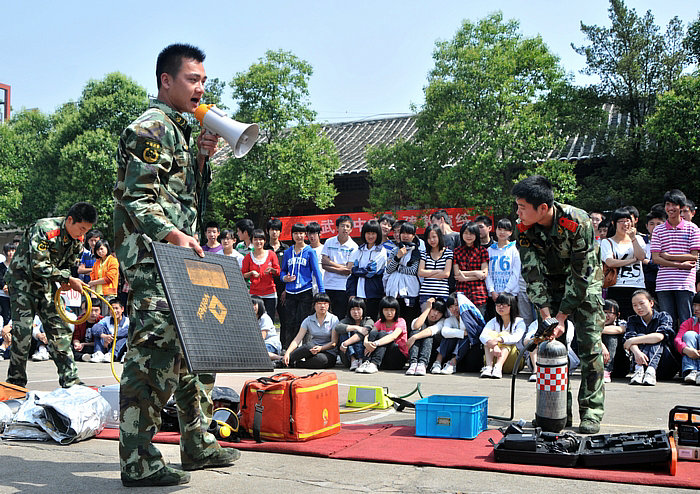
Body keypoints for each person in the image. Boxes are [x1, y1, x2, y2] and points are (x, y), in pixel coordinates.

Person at [113, 44, 238, 487]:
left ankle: (197, 442)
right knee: (155, 353)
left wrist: (201, 158)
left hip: (182, 255)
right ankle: (138, 461)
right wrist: (173, 235)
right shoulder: (150, 128)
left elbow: (184, 198)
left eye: (204, 80)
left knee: (199, 348)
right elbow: (137, 197)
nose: (201, 88)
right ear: (166, 81)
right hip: (152, 257)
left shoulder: (183, 130)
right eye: (192, 79)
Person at [512, 175, 604, 434]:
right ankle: (557, 413)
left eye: (522, 207)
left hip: (585, 284)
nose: (517, 212)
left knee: (590, 349)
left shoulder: (578, 222)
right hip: (549, 286)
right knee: (551, 350)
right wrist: (547, 317)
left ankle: (591, 413)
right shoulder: (523, 228)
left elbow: (581, 274)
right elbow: (532, 274)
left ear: (542, 208)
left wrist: (562, 316)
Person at [4, 201, 96, 389]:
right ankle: (15, 382)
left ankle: (71, 380)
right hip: (23, 282)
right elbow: (38, 265)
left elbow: (69, 266)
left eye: (87, 230)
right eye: (81, 228)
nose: (83, 234)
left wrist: (68, 280)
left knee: (59, 329)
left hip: (46, 284)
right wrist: (67, 279)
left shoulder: (78, 240)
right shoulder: (45, 229)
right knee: (23, 333)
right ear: (70, 220)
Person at [651, 190, 700, 329]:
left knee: (687, 320)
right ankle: (669, 344)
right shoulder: (658, 230)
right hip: (664, 283)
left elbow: (694, 256)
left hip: (685, 283)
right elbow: (656, 258)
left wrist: (668, 256)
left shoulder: (693, 229)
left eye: (674, 205)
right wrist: (681, 265)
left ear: (681, 207)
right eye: (668, 204)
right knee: (667, 322)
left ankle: (687, 344)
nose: (670, 208)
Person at [280, 223, 325, 349]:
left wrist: (322, 292)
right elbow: (283, 271)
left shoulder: (310, 251)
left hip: (305, 291)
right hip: (290, 292)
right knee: (290, 322)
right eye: (296, 233)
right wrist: (285, 278)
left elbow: (317, 272)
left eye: (301, 233)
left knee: (305, 321)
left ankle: (305, 349)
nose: (298, 236)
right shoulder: (288, 252)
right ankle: (289, 350)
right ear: (292, 235)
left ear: (305, 235)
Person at [623, 289, 679, 385]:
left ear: (651, 303)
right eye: (635, 305)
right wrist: (637, 353)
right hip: (641, 364)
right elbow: (628, 339)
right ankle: (639, 369)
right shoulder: (632, 320)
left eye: (642, 303)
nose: (638, 308)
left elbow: (659, 337)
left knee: (653, 339)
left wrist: (632, 341)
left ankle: (651, 370)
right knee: (641, 336)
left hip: (665, 366)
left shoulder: (663, 316)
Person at [600, 208, 646, 320]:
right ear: (614, 223)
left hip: (637, 285)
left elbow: (641, 257)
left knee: (637, 318)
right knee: (619, 319)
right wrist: (632, 260)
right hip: (617, 285)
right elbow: (610, 262)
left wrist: (633, 238)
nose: (625, 224)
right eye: (621, 221)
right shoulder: (607, 242)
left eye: (627, 221)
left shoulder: (638, 239)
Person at [283, 293, 338, 369]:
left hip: (328, 352)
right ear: (314, 305)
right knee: (308, 346)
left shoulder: (334, 319)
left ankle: (296, 364)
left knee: (321, 360)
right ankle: (284, 361)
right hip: (312, 349)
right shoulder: (308, 320)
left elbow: (333, 343)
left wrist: (320, 348)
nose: (322, 306)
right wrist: (288, 353)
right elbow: (297, 339)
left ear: (328, 305)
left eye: (325, 303)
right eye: (319, 303)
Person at [356, 296, 408, 374]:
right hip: (383, 359)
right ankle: (367, 362)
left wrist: (375, 343)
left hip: (397, 358)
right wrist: (366, 343)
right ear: (382, 310)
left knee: (383, 334)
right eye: (386, 310)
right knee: (374, 333)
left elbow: (393, 336)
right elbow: (370, 334)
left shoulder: (401, 321)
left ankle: (374, 364)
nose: (389, 313)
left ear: (396, 311)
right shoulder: (380, 322)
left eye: (392, 310)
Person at [346, 220, 386, 319]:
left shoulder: (381, 251)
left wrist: (356, 270)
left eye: (373, 233)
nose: (370, 236)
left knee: (370, 321)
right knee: (357, 320)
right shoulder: (358, 250)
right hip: (358, 294)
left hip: (374, 294)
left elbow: (370, 272)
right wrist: (352, 292)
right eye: (368, 233)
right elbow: (352, 273)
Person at [479, 293, 526, 379]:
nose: (500, 307)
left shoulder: (519, 322)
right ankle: (489, 367)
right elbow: (482, 336)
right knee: (489, 336)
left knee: (504, 335)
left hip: (514, 362)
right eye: (498, 304)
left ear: (512, 306)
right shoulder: (493, 321)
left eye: (504, 305)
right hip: (494, 356)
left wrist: (499, 339)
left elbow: (516, 338)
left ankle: (498, 367)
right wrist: (495, 345)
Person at [384, 222, 422, 328]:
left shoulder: (417, 251)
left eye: (408, 233)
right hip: (394, 292)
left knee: (409, 321)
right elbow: (389, 270)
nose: (405, 236)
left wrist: (397, 267)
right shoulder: (395, 250)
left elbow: (413, 271)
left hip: (410, 291)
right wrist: (398, 257)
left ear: (413, 236)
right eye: (403, 233)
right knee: (395, 321)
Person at [321, 215, 358, 319]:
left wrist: (330, 264)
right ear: (337, 228)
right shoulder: (329, 242)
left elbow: (348, 270)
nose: (345, 228)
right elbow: (323, 263)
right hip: (328, 285)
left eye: (347, 226)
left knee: (339, 316)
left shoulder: (354, 246)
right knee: (326, 316)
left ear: (351, 229)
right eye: (342, 226)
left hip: (343, 287)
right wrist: (341, 267)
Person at [485, 218, 521, 320]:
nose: (502, 232)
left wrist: (505, 291)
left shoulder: (514, 250)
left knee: (511, 321)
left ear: (510, 232)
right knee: (494, 322)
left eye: (505, 230)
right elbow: (487, 273)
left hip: (510, 294)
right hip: (493, 295)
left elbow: (516, 273)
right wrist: (492, 290)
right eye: (499, 229)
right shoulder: (490, 250)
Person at [452, 222, 489, 317]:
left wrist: (466, 278)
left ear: (476, 235)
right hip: (462, 293)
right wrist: (477, 273)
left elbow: (484, 274)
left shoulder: (482, 251)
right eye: (466, 233)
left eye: (471, 233)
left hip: (478, 294)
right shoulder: (457, 251)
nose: (468, 236)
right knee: (464, 322)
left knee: (479, 321)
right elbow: (457, 274)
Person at [242, 229, 280, 318]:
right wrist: (251, 273)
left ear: (265, 241)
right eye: (255, 239)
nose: (258, 242)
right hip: (255, 294)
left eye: (261, 239)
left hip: (270, 293)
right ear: (251, 241)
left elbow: (278, 271)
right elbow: (243, 274)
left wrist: (272, 270)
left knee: (269, 320)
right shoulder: (248, 257)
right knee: (255, 320)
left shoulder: (271, 254)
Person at [405, 297, 447, 376]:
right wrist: (427, 309)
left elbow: (431, 330)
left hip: (432, 355)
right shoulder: (420, 318)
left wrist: (414, 337)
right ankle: (413, 363)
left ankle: (422, 364)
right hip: (417, 352)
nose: (435, 314)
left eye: (439, 312)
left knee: (428, 335)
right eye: (433, 309)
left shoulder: (442, 322)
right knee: (415, 332)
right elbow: (416, 326)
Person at [417, 224, 453, 310]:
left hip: (442, 294)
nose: (432, 240)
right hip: (426, 293)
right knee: (426, 317)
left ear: (439, 236)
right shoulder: (424, 253)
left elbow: (446, 274)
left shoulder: (448, 253)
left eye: (434, 237)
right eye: (429, 238)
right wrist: (438, 271)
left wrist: (427, 273)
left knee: (442, 317)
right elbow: (420, 272)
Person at [335, 296, 375, 371]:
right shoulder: (346, 320)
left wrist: (346, 343)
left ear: (363, 309)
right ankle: (353, 359)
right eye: (353, 309)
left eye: (358, 309)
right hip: (348, 358)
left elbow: (363, 332)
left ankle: (360, 360)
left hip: (364, 355)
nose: (356, 312)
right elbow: (337, 328)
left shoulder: (368, 320)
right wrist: (356, 327)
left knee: (363, 335)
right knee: (344, 332)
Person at [86, 298, 129, 363]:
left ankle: (111, 355)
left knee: (125, 336)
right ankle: (99, 353)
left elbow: (127, 332)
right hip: (106, 344)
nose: (114, 311)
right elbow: (95, 328)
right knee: (99, 331)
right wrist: (104, 336)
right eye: (112, 309)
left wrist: (112, 337)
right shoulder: (106, 319)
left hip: (119, 346)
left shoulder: (127, 321)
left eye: (116, 308)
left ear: (122, 309)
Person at [88, 239, 120, 316]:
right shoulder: (97, 263)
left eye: (101, 249)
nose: (100, 251)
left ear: (107, 248)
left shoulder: (113, 260)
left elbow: (108, 278)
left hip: (109, 294)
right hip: (97, 294)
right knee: (97, 316)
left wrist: (93, 282)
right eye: (97, 250)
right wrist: (93, 295)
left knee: (107, 316)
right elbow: (92, 277)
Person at [676, 292, 700, 384]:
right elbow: (677, 339)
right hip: (691, 355)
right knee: (689, 334)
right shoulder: (689, 322)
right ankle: (691, 371)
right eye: (695, 305)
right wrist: (686, 350)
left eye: (699, 306)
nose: (696, 309)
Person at [642, 209, 667, 297]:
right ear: (646, 226)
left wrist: (648, 262)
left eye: (658, 224)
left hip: (663, 282)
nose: (655, 227)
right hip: (643, 283)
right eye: (651, 224)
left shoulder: (668, 242)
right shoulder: (640, 242)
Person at [601, 299, 626, 383]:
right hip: (598, 362)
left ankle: (606, 370)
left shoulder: (622, 323)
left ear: (617, 315)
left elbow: (620, 330)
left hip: (619, 365)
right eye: (604, 312)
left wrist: (595, 331)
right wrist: (602, 346)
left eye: (609, 313)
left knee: (612, 335)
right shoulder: (594, 323)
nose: (606, 315)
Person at [252, 296, 282, 364]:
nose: (253, 307)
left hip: (271, 344)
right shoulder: (251, 318)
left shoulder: (264, 318)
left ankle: (280, 358)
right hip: (259, 345)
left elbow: (263, 337)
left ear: (260, 305)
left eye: (255, 304)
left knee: (259, 352)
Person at [306, 222, 324, 293]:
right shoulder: (305, 250)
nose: (312, 236)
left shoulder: (325, 249)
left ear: (319, 234)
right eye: (309, 234)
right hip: (307, 286)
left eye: (314, 233)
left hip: (323, 284)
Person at [0, 242, 16, 326]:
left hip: (15, 294)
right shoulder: (1, 266)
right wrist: (4, 286)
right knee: (6, 315)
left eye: (13, 250)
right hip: (3, 295)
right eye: (9, 251)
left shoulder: (18, 266)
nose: (11, 253)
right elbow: (0, 279)